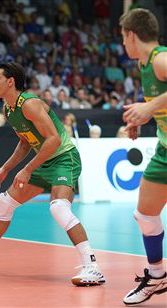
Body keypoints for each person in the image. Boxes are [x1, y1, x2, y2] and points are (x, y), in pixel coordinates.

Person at [0, 62, 106, 286]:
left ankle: (93, 267)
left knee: (59, 208)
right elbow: (26, 143)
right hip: (43, 161)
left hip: (64, 158)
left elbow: (53, 139)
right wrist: (5, 168)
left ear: (10, 82)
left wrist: (27, 170)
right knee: (4, 203)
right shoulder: (8, 109)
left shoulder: (30, 104)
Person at [119, 8, 167, 305]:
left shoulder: (161, 59)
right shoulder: (144, 64)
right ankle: (157, 275)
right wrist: (142, 118)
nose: (123, 44)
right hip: (165, 149)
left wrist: (148, 108)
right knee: (145, 213)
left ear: (132, 35)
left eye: (124, 38)